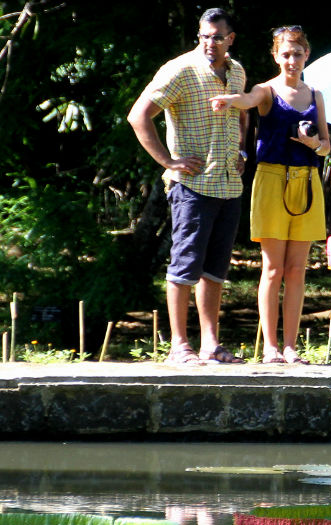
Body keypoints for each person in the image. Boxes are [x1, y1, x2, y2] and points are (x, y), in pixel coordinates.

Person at [127, 8, 247, 366]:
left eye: (217, 37)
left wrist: (241, 149)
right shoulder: (179, 69)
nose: (210, 43)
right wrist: (168, 161)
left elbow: (241, 112)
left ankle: (211, 345)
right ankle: (179, 346)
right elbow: (138, 116)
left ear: (230, 38)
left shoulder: (237, 71)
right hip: (192, 186)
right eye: (204, 36)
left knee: (214, 271)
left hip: (228, 185)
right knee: (184, 267)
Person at [211, 25, 331, 365]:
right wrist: (232, 100)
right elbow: (248, 100)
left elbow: (326, 145)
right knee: (273, 269)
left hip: (306, 184)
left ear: (307, 54)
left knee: (297, 270)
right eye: (285, 54)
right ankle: (271, 348)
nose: (292, 60)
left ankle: (291, 346)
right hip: (271, 180)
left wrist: (315, 145)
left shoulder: (316, 95)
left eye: (297, 53)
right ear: (276, 56)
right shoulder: (267, 90)